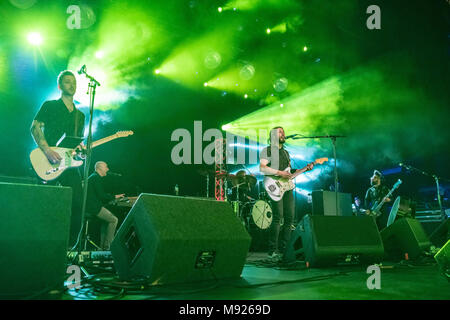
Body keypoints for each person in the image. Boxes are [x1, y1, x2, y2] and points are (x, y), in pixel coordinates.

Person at [30, 70, 85, 247]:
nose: (72, 84)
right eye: (68, 82)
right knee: (47, 204)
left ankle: (67, 248)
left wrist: (81, 151)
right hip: (49, 161)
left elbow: (76, 143)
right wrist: (47, 151)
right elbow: (35, 128)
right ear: (60, 86)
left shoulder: (80, 116)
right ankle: (40, 244)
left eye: (74, 82)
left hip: (69, 164)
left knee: (79, 203)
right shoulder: (50, 106)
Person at [259, 127, 314, 260]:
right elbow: (262, 168)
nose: (283, 134)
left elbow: (289, 172)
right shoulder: (267, 150)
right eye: (280, 132)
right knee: (278, 217)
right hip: (274, 184)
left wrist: (305, 169)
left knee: (290, 218)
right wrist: (280, 173)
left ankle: (285, 250)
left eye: (283, 132)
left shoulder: (286, 153)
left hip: (287, 187)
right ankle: (272, 250)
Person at [86, 161, 124, 250]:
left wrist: (111, 199)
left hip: (92, 206)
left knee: (106, 221)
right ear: (100, 168)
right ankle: (108, 247)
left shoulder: (93, 177)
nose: (108, 169)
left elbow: (98, 195)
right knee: (114, 220)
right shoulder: (95, 178)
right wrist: (114, 196)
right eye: (106, 167)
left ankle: (103, 247)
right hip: (93, 208)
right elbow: (101, 195)